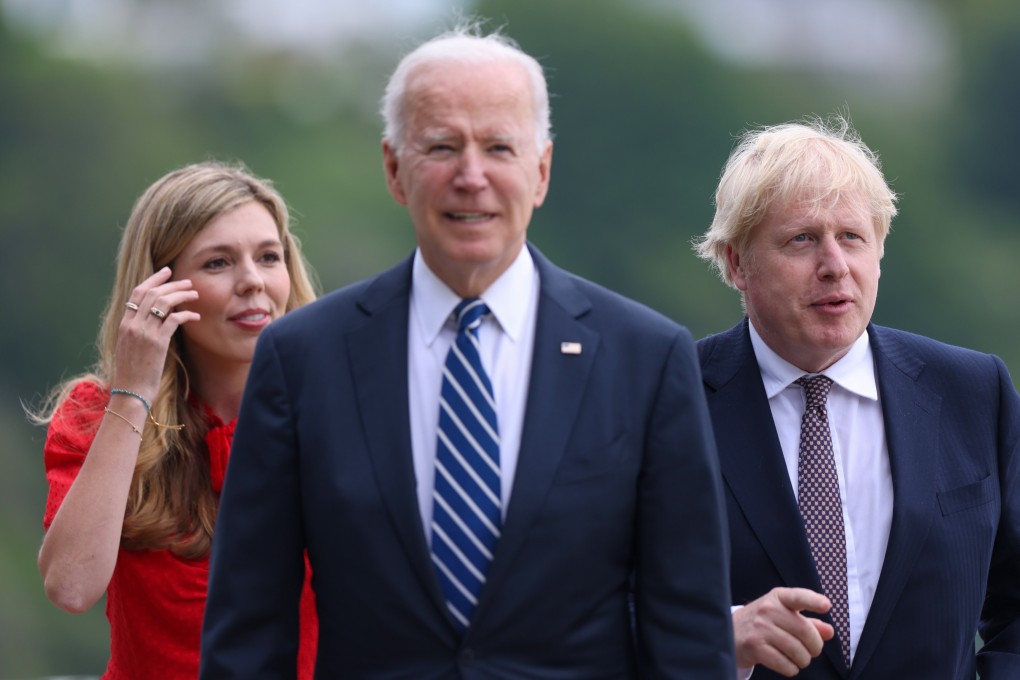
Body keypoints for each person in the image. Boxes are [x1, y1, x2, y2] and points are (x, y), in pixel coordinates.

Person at [201, 22, 736, 678]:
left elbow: (687, 633)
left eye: (499, 147)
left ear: (540, 171)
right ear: (395, 170)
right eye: (443, 146)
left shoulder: (646, 360)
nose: (471, 176)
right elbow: (248, 630)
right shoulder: (303, 359)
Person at [693, 114, 1020, 679]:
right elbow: (586, 607)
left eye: (852, 237)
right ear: (736, 263)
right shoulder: (669, 398)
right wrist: (722, 636)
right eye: (802, 240)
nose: (834, 266)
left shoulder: (973, 391)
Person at [33, 161, 320, 679]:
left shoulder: (332, 406)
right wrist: (134, 389)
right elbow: (70, 586)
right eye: (218, 263)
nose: (253, 282)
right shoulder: (95, 413)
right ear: (159, 289)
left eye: (269, 257)